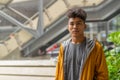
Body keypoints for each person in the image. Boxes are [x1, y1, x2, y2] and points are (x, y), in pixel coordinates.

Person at [55, 6, 108, 80]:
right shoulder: (63, 47)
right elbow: (58, 74)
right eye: (72, 23)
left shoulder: (95, 47)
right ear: (68, 27)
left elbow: (103, 75)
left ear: (85, 26)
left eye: (78, 23)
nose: (75, 27)